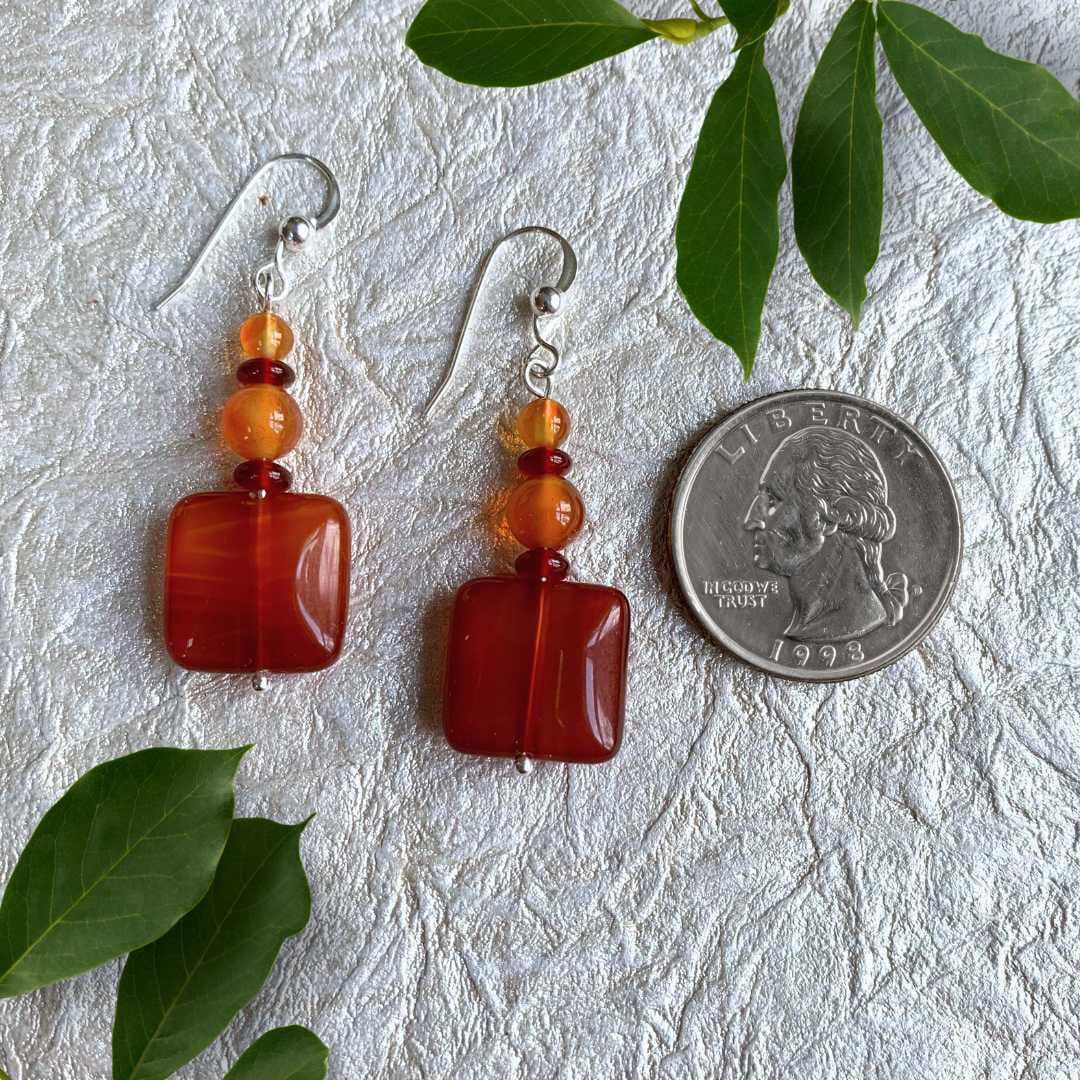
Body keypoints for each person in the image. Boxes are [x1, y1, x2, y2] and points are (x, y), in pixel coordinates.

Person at [742, 426, 909, 643]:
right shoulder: (807, 623)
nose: (750, 521)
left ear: (832, 516)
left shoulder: (841, 622)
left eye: (773, 500)